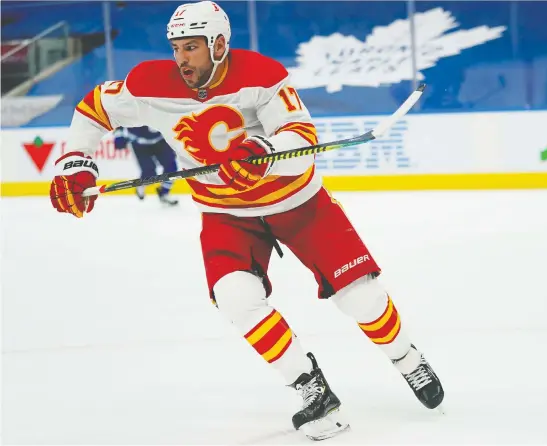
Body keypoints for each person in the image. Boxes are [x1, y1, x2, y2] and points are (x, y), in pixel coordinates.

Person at [49, 1, 444, 440]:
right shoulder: (148, 83)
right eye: (177, 48)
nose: (182, 59)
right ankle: (311, 389)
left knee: (361, 298)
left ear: (219, 45)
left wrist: (262, 154)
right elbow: (93, 110)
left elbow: (300, 141)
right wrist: (75, 162)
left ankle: (407, 359)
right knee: (235, 296)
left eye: (192, 48)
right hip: (226, 213)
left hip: (298, 203)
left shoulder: (262, 75)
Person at [113, 126, 179, 206]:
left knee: (171, 166)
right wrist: (119, 134)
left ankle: (164, 193)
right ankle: (141, 185)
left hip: (160, 141)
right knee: (149, 172)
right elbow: (121, 119)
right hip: (140, 144)